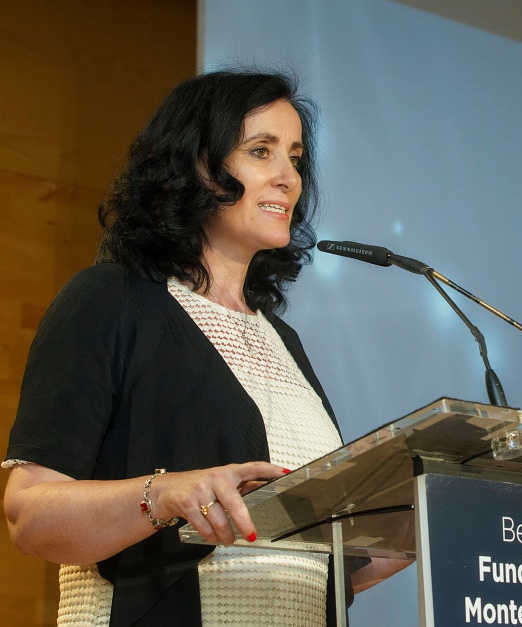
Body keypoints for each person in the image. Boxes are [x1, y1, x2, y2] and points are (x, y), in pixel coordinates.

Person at [3, 70, 381, 626]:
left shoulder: (283, 340)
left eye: (296, 158)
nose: (288, 178)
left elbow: (316, 564)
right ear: (197, 165)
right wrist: (164, 494)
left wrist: (415, 520)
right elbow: (29, 514)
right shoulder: (109, 301)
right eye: (261, 151)